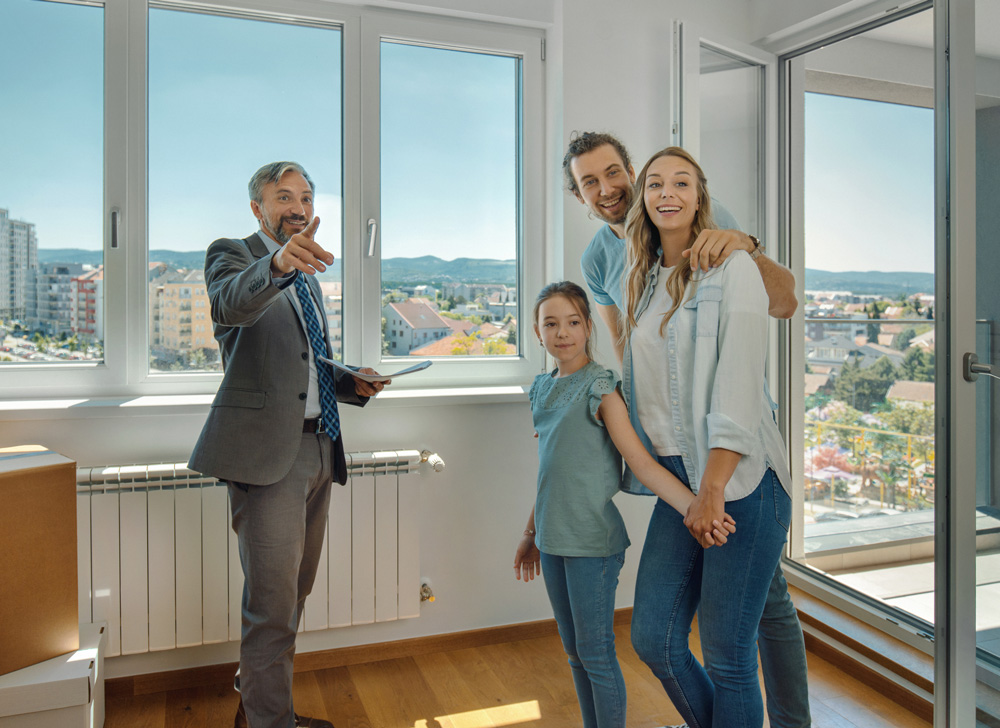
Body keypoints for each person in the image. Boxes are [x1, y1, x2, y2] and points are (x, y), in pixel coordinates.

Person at [565, 132, 810, 728]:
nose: (607, 190)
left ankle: (790, 722)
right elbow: (628, 350)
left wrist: (745, 248)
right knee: (673, 633)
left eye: (614, 173)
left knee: (740, 635)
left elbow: (778, 305)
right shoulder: (618, 262)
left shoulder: (702, 228)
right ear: (578, 196)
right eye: (588, 183)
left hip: (736, 458)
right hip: (677, 462)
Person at [189, 161, 385, 728]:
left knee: (294, 594)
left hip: (320, 447)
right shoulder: (234, 253)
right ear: (257, 208)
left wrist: (351, 380)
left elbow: (302, 362)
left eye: (305, 196)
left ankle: (264, 706)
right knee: (272, 607)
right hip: (267, 457)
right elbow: (230, 305)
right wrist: (276, 263)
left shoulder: (308, 275)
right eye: (283, 196)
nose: (297, 206)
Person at [620, 146, 794, 728]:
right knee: (654, 638)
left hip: (740, 481)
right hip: (682, 483)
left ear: (700, 199)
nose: (667, 192)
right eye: (656, 184)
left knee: (727, 654)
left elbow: (738, 387)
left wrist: (713, 488)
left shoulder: (730, 268)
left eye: (682, 183)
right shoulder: (642, 280)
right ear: (643, 199)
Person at [513, 281, 736, 728]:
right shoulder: (541, 389)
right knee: (574, 653)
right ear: (537, 334)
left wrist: (696, 507)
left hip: (593, 544)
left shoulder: (600, 387)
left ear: (588, 326)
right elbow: (550, 474)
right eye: (550, 324)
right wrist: (530, 533)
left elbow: (640, 461)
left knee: (595, 654)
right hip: (553, 540)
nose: (562, 332)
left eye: (573, 322)